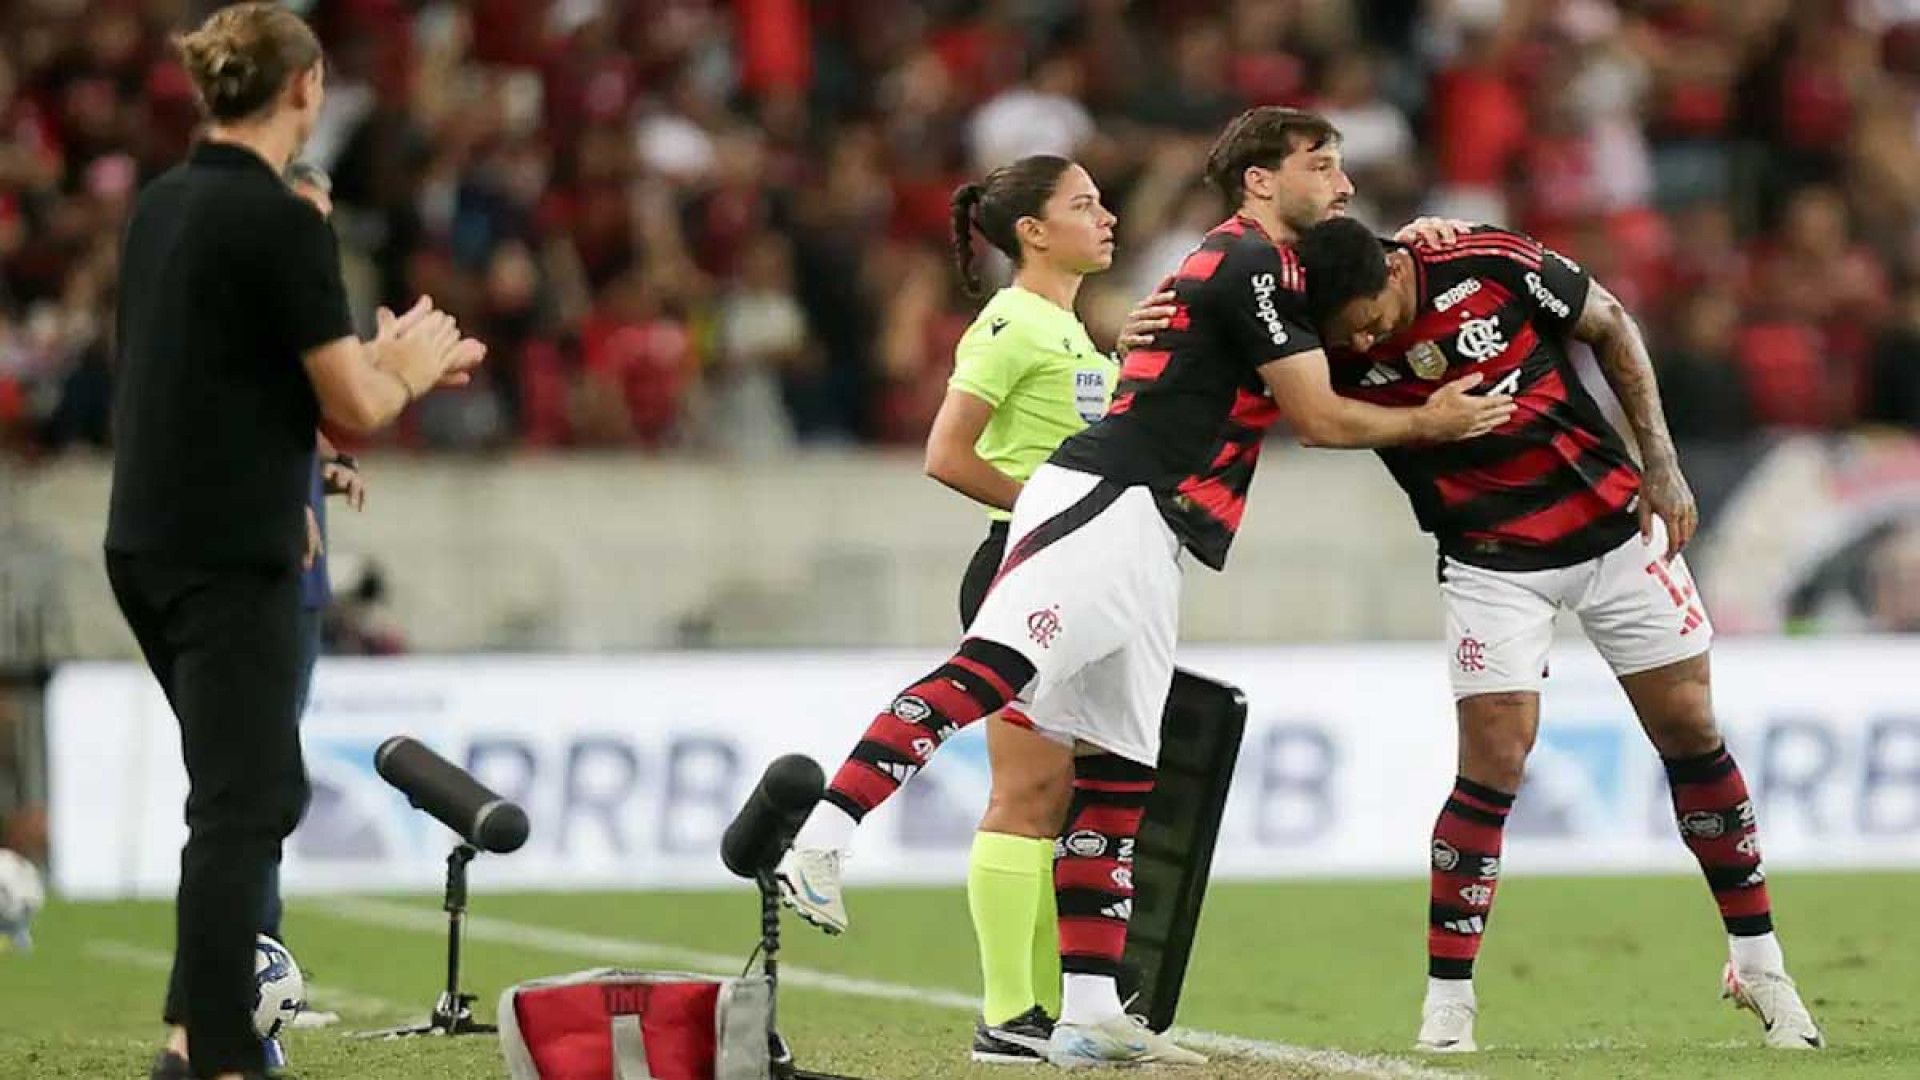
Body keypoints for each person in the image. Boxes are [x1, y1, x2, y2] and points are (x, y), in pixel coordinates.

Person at [778, 106, 1512, 1068]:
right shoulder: (1248, 264)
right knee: (991, 669)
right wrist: (1435, 421)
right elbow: (1321, 420)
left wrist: (1419, 245)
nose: (1342, 183)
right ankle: (822, 839)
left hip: (1159, 530)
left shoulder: (1270, 270)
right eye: (1322, 166)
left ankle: (1087, 1011)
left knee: (1122, 768)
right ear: (1261, 181)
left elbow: (1334, 286)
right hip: (1112, 496)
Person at [1285, 215, 1823, 1052]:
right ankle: (1449, 1007)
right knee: (1495, 759)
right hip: (1488, 560)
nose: (1359, 338)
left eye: (1368, 317)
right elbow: (1289, 396)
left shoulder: (1485, 260)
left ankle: (1760, 965)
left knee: (1690, 730)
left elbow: (1610, 323)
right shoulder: (1318, 331)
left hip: (1615, 528)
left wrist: (1663, 463)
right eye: (1343, 330)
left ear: (1395, 269)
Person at [106, 6, 482, 1080]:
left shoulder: (159, 207)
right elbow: (355, 401)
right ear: (307, 88)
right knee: (246, 803)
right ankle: (214, 1054)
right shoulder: (282, 221)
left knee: (239, 786)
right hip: (235, 549)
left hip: (148, 537)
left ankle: (193, 1035)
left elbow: (196, 384)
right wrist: (407, 361)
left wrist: (301, 459)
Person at [920, 154, 1117, 1065]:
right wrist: (1043, 515)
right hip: (1022, 569)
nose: (1106, 216)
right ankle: (1007, 1015)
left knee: (1066, 793)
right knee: (1027, 791)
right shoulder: (1010, 326)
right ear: (1032, 232)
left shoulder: (1073, 331)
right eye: (1084, 205)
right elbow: (947, 454)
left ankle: (1053, 1006)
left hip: (1078, 575)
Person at [254, 160, 363, 1033]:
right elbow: (248, 416)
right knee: (258, 781)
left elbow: (287, 415)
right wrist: (288, 495)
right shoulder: (255, 298)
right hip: (265, 571)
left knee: (270, 776)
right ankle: (250, 963)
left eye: (324, 214)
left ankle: (257, 958)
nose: (316, 228)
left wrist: (317, 466)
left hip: (301, 579)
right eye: (306, 212)